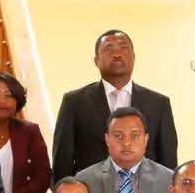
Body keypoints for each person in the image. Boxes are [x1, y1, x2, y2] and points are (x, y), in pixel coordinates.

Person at [51, 29, 177, 180]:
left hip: (146, 191)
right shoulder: (74, 102)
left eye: (123, 48)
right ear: (96, 61)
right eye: (109, 49)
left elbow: (168, 162)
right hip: (92, 190)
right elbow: (62, 161)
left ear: (134, 57)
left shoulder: (159, 103)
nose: (117, 54)